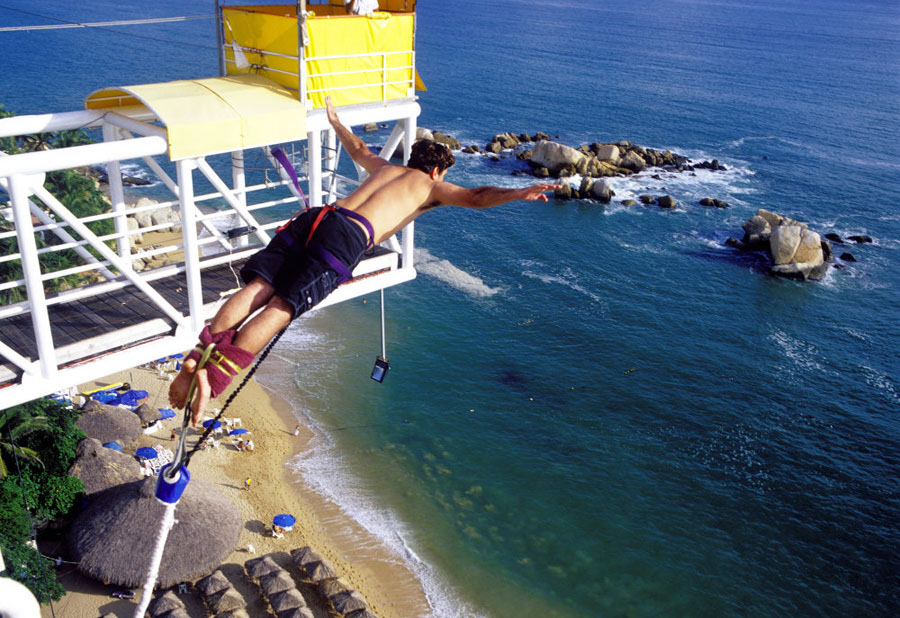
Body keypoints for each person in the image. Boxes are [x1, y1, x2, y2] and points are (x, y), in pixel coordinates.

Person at [168, 96, 559, 422]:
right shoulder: (429, 186)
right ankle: (214, 376)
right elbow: (476, 197)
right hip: (347, 237)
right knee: (282, 306)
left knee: (259, 287)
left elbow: (357, 148)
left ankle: (200, 351)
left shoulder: (386, 167)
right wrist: (519, 192)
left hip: (318, 217)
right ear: (437, 169)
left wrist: (335, 122)